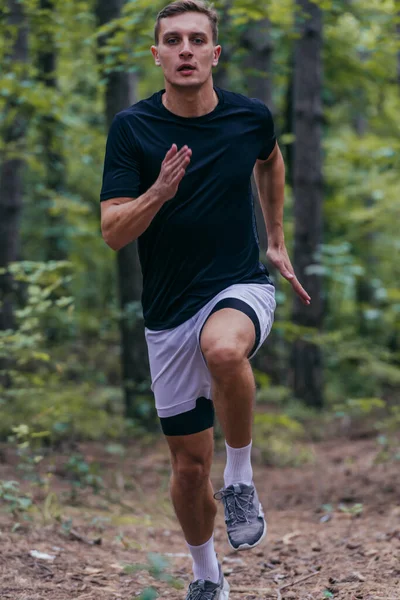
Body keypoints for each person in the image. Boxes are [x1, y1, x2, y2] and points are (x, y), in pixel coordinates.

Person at [100, 1, 310, 598]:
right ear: (157, 54)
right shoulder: (133, 129)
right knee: (189, 471)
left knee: (224, 351)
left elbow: (271, 161)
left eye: (197, 39)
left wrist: (275, 237)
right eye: (174, 40)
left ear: (214, 54)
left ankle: (240, 477)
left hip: (239, 284)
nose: (186, 49)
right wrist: (158, 193)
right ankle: (205, 574)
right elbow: (114, 232)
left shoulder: (249, 117)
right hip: (168, 312)